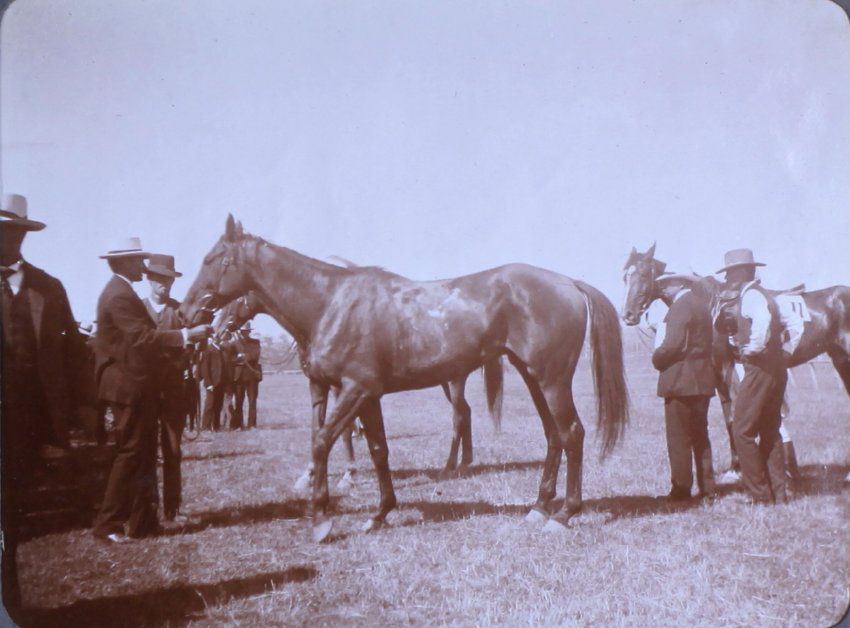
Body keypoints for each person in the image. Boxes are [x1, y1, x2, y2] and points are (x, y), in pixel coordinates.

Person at [0, 193, 96, 617]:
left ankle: (10, 607)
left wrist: (85, 416)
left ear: (23, 233)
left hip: (26, 428)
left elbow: (74, 357)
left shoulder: (48, 287)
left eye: (9, 229)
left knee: (10, 521)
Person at [91, 238, 211, 543]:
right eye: (138, 261)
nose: (143, 267)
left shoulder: (121, 292)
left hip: (137, 386)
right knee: (131, 453)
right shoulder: (119, 295)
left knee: (141, 454)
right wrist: (186, 335)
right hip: (128, 387)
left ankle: (143, 523)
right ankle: (108, 524)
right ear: (123, 263)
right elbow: (143, 337)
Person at [716, 248, 787, 505]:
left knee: (742, 431)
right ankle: (779, 493)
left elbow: (762, 322)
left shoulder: (751, 297)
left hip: (758, 368)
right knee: (770, 430)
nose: (728, 279)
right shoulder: (766, 295)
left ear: (745, 272)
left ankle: (759, 494)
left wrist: (752, 347)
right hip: (776, 369)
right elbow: (787, 326)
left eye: (732, 273)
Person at [651, 278, 716, 501]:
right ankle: (708, 489)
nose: (662, 289)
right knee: (700, 436)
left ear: (679, 284)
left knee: (678, 438)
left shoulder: (680, 308)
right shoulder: (700, 305)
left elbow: (671, 345)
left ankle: (681, 490)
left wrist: (657, 359)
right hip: (702, 381)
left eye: (666, 284)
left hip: (680, 382)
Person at [142, 254, 192, 524]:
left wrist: (179, 364)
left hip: (173, 388)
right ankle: (148, 508)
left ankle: (173, 508)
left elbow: (191, 347)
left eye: (169, 280)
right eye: (160, 279)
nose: (166, 285)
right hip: (145, 391)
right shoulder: (137, 309)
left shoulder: (179, 311)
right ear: (150, 279)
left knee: (173, 450)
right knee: (146, 451)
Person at [227, 321, 263, 429]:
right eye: (242, 332)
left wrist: (244, 356)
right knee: (238, 401)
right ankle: (239, 424)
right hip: (239, 376)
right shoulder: (234, 344)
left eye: (246, 331)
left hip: (252, 375)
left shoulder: (255, 342)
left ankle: (252, 424)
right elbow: (230, 358)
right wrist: (238, 358)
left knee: (252, 401)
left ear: (249, 332)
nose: (244, 333)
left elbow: (255, 355)